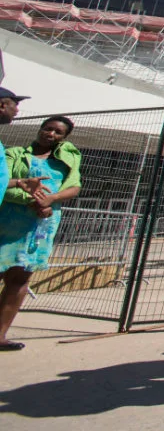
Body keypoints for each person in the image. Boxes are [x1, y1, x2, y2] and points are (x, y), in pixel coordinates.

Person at [0, 115, 80, 351]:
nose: (50, 134)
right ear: (40, 129)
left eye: (58, 132)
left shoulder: (65, 161)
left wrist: (51, 200)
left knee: (20, 278)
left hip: (41, 225)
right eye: (47, 129)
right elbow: (3, 184)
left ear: (64, 139)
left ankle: (1, 334)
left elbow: (73, 187)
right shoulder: (13, 154)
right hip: (10, 222)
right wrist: (30, 200)